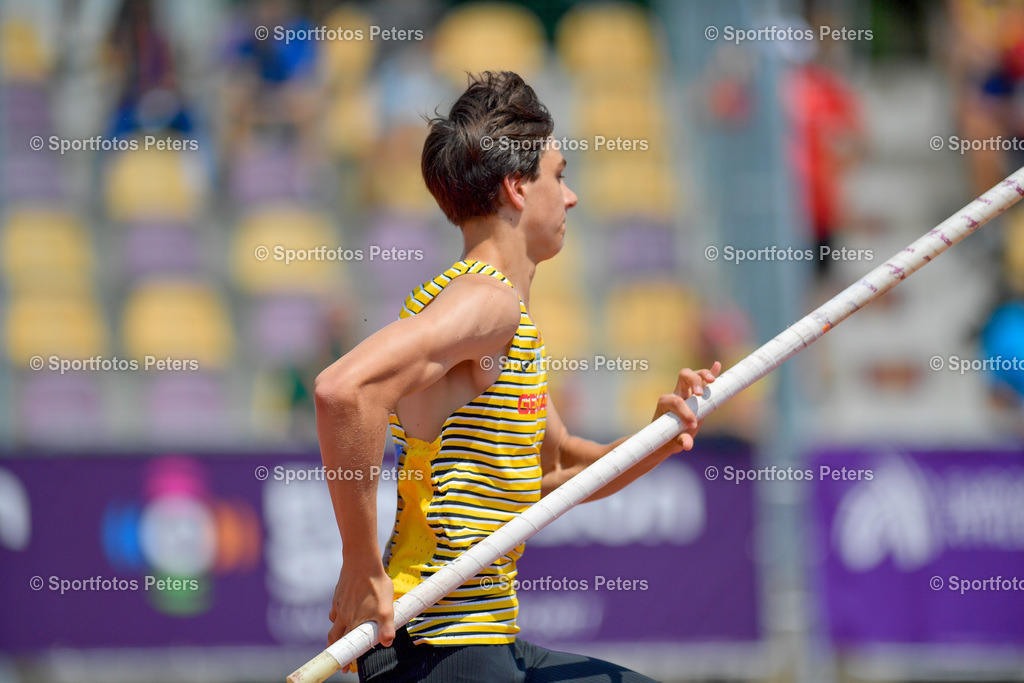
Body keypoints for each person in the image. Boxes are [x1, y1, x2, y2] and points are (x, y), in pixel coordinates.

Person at [313, 71, 719, 682]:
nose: (572, 196)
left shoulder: (504, 318)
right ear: (517, 189)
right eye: (559, 174)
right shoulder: (486, 303)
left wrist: (661, 435)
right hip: (439, 648)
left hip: (488, 640)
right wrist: (361, 566)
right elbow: (343, 391)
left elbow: (555, 470)